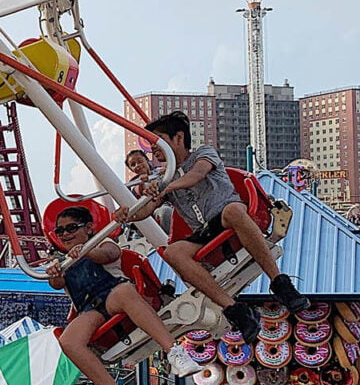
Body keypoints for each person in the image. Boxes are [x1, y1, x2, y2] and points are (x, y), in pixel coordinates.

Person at [125, 111, 309, 340]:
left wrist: (166, 187)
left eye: (159, 140)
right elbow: (145, 210)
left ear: (178, 138)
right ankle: (234, 310)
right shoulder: (164, 178)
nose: (153, 148)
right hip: (204, 233)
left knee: (233, 211)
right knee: (172, 252)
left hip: (225, 214)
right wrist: (126, 214)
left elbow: (197, 174)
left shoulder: (203, 153)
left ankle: (279, 282)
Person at [46, 205, 198, 385]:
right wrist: (55, 274)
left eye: (71, 228)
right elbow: (57, 284)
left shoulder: (103, 244)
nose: (65, 234)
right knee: (68, 341)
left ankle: (174, 351)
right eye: (60, 231)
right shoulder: (64, 262)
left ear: (88, 228)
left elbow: (109, 255)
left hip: (112, 294)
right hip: (90, 308)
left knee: (125, 292)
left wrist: (86, 251)